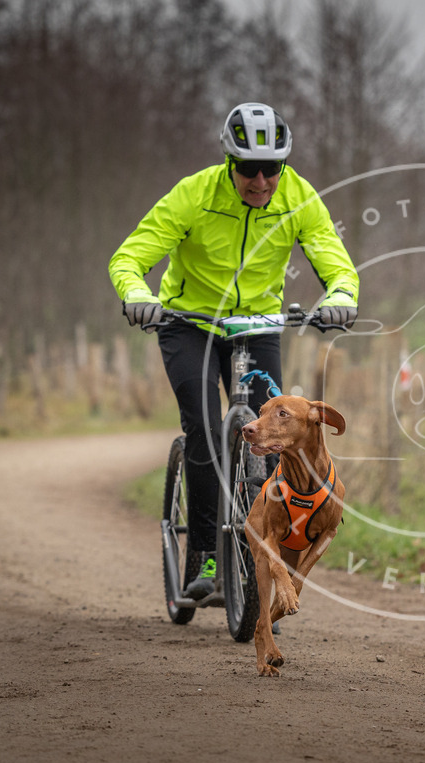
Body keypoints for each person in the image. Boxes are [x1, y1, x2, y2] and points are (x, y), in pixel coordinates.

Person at [109, 102, 359, 599]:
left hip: (257, 325)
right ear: (230, 161)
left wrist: (340, 299)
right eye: (249, 168)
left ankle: (265, 563)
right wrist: (138, 296)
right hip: (188, 323)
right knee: (203, 428)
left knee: (274, 436)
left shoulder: (299, 197)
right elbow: (131, 255)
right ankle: (202, 555)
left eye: (272, 168)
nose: (261, 180)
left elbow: (337, 264)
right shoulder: (194, 195)